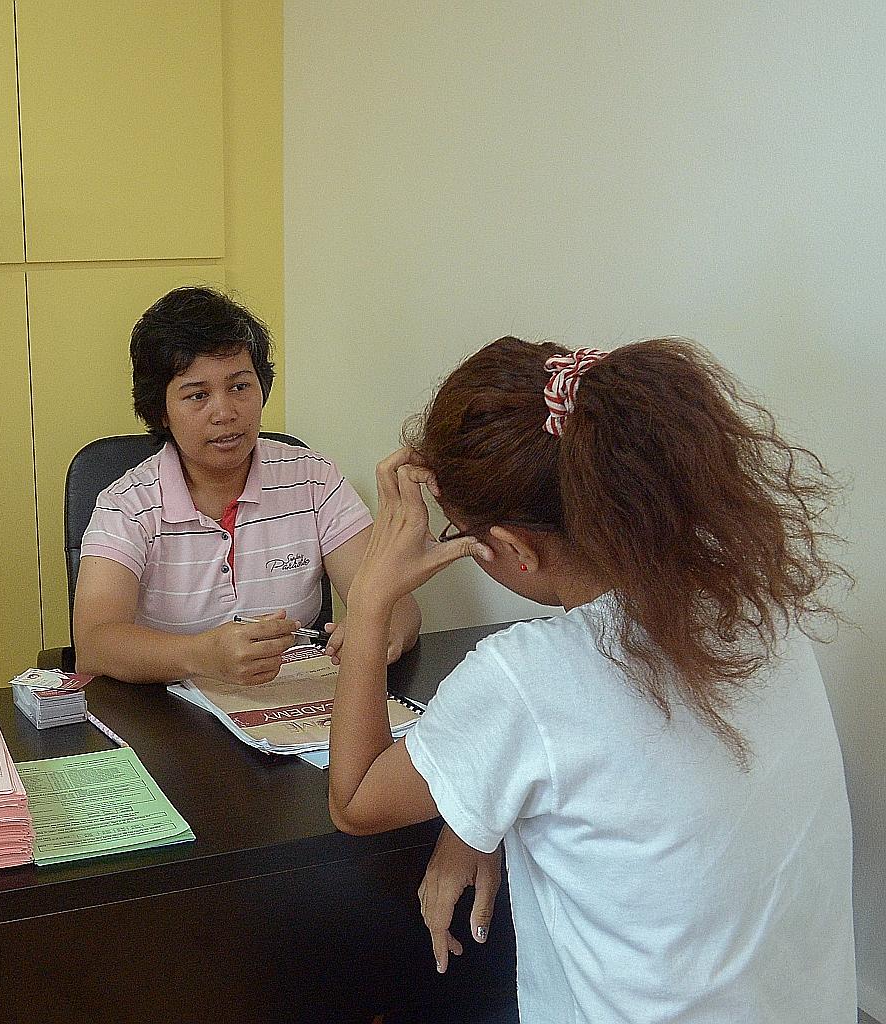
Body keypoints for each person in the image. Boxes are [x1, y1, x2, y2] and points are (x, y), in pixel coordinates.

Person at [326, 339, 853, 1022]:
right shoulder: (751, 602)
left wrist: (370, 598)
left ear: (515, 550)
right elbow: (637, 772)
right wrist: (475, 815)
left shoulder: (526, 676)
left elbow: (356, 801)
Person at [74, 286, 419, 685]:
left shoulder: (313, 479)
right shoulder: (127, 505)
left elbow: (399, 606)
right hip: (166, 719)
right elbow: (95, 644)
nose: (226, 412)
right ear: (161, 412)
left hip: (293, 710)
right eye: (197, 395)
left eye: (240, 386)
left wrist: (382, 631)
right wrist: (202, 655)